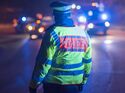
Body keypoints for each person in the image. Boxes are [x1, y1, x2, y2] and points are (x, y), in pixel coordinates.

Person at [29, 1, 92, 93]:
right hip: (75, 84)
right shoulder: (84, 34)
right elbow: (87, 61)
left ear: (55, 15)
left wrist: (34, 84)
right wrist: (84, 80)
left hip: (54, 85)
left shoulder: (52, 33)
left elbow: (44, 62)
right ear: (69, 14)